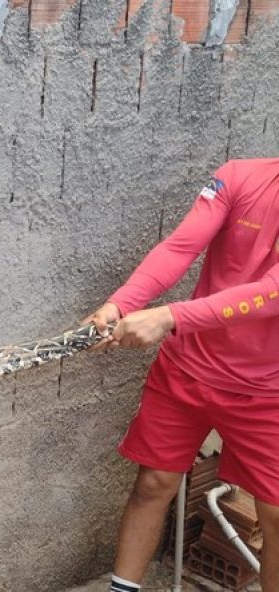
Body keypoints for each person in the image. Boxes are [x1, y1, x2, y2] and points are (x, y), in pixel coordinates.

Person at [86, 158, 279, 592]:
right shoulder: (239, 176)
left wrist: (170, 317)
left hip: (268, 392)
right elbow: (180, 247)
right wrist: (121, 303)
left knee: (277, 516)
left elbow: (270, 294)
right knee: (153, 483)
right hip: (186, 371)